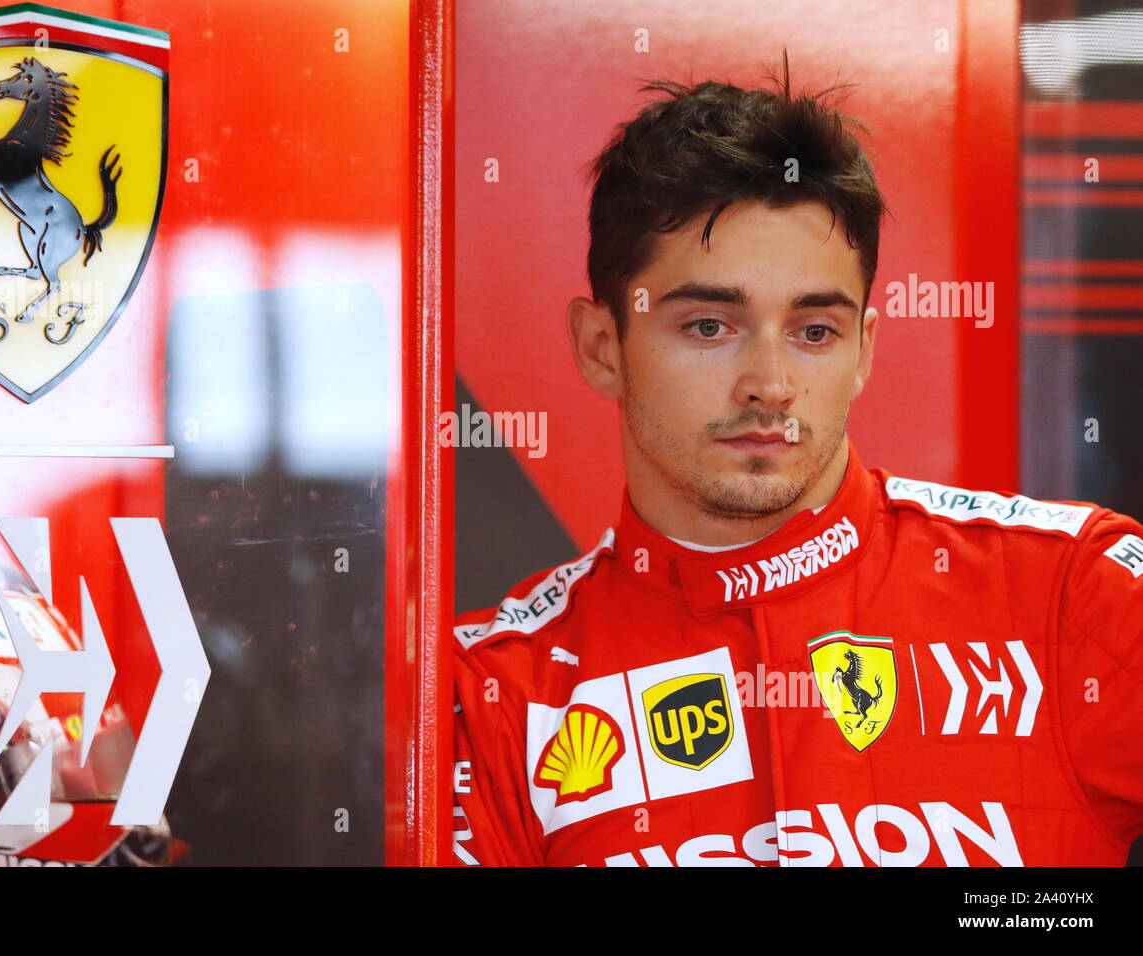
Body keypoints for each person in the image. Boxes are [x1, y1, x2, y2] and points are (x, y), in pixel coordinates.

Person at [451, 62, 1143, 867]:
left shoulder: (1071, 593)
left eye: (814, 331)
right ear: (602, 346)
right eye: (709, 326)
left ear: (863, 353)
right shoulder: (498, 694)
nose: (770, 386)